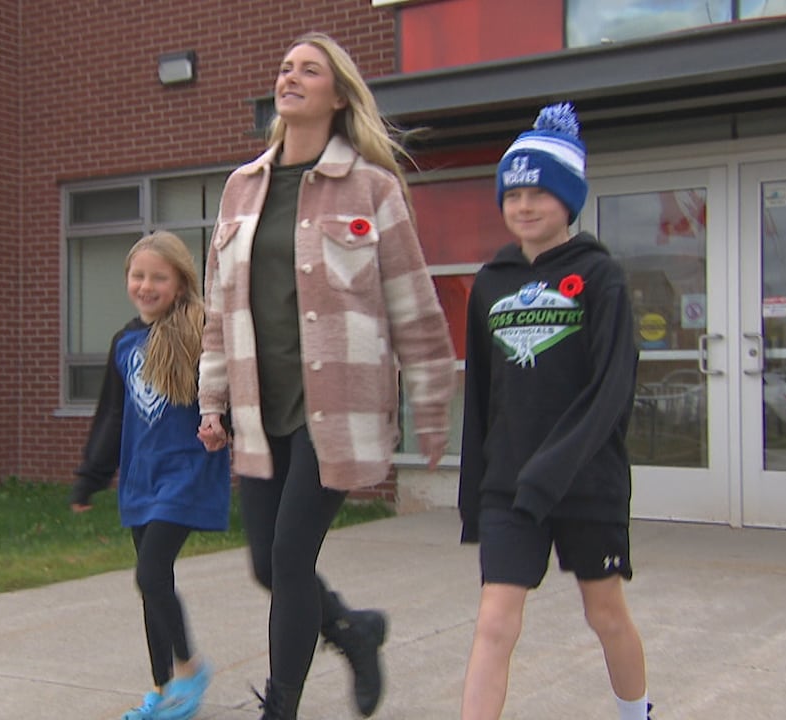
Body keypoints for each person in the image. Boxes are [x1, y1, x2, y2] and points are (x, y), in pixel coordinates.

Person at [196, 32, 456, 720]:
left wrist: (433, 407)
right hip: (259, 408)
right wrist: (212, 399)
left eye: (309, 70)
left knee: (287, 556)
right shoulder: (241, 188)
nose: (291, 76)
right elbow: (219, 307)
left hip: (336, 411)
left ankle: (279, 709)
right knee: (266, 564)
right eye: (285, 67)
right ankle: (353, 629)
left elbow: (413, 302)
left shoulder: (371, 187)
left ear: (337, 96)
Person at [457, 103, 651, 720]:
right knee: (494, 623)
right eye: (513, 193)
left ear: (570, 197)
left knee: (605, 613)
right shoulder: (491, 281)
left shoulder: (600, 276)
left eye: (540, 191)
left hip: (586, 482)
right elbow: (482, 394)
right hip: (511, 487)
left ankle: (636, 712)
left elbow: (610, 391)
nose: (525, 204)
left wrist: (555, 469)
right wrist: (475, 493)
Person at [72, 231, 232, 720]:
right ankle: (163, 692)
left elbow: (232, 390)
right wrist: (90, 476)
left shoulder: (202, 332)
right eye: (137, 276)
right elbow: (112, 416)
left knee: (149, 573)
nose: (146, 285)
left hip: (187, 471)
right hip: (142, 477)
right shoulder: (125, 341)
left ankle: (192, 668)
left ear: (181, 282)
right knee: (152, 583)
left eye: (158, 277)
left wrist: (225, 426)